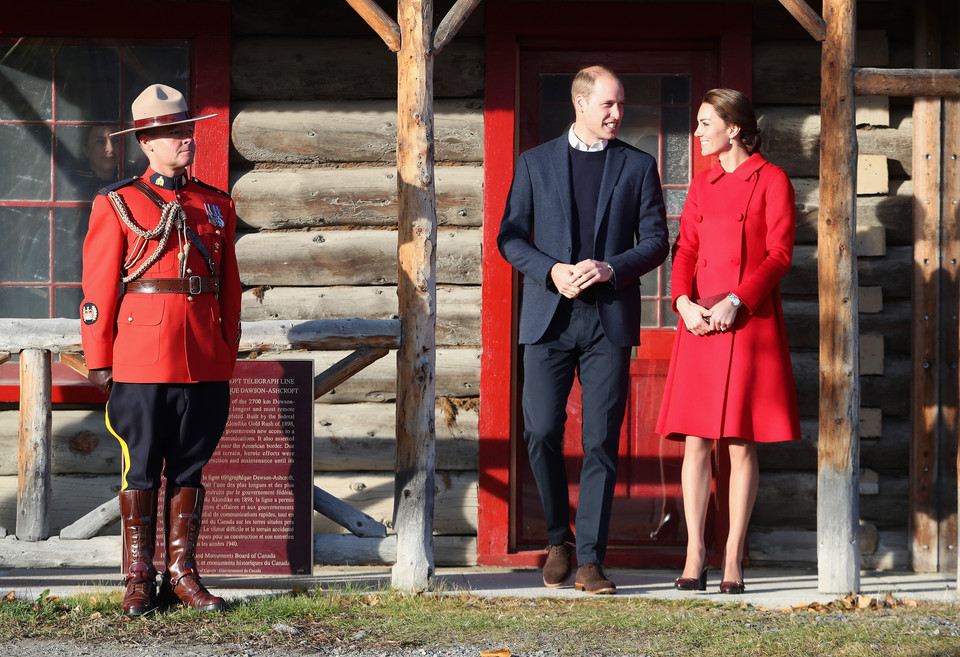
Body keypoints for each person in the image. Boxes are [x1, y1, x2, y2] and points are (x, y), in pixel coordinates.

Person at [497, 66, 669, 594]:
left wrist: (612, 267)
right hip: (548, 317)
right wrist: (550, 269)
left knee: (600, 440)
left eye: (621, 105)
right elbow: (510, 238)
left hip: (608, 319)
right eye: (608, 105)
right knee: (542, 430)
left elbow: (658, 240)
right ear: (580, 104)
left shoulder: (638, 166)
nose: (618, 114)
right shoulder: (534, 163)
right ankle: (558, 540)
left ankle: (591, 558)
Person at [79, 84, 241, 615]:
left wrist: (225, 347)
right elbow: (99, 288)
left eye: (186, 129)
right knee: (142, 469)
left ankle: (182, 573)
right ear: (147, 141)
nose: (184, 139)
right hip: (141, 356)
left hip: (203, 357)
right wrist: (100, 358)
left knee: (190, 467)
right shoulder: (118, 203)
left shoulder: (215, 204)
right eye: (172, 132)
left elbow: (229, 287)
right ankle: (138, 575)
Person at [655, 88, 801, 595]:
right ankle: (695, 552)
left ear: (733, 128)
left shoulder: (772, 179)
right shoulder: (702, 182)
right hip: (700, 322)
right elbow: (685, 250)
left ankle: (733, 554)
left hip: (747, 319)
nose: (696, 133)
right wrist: (682, 303)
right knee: (695, 440)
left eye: (704, 123)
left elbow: (780, 254)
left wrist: (736, 300)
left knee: (739, 442)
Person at [66, 125, 119, 200]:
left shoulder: (129, 180)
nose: (110, 148)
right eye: (100, 141)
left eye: (115, 141)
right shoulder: (75, 183)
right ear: (86, 150)